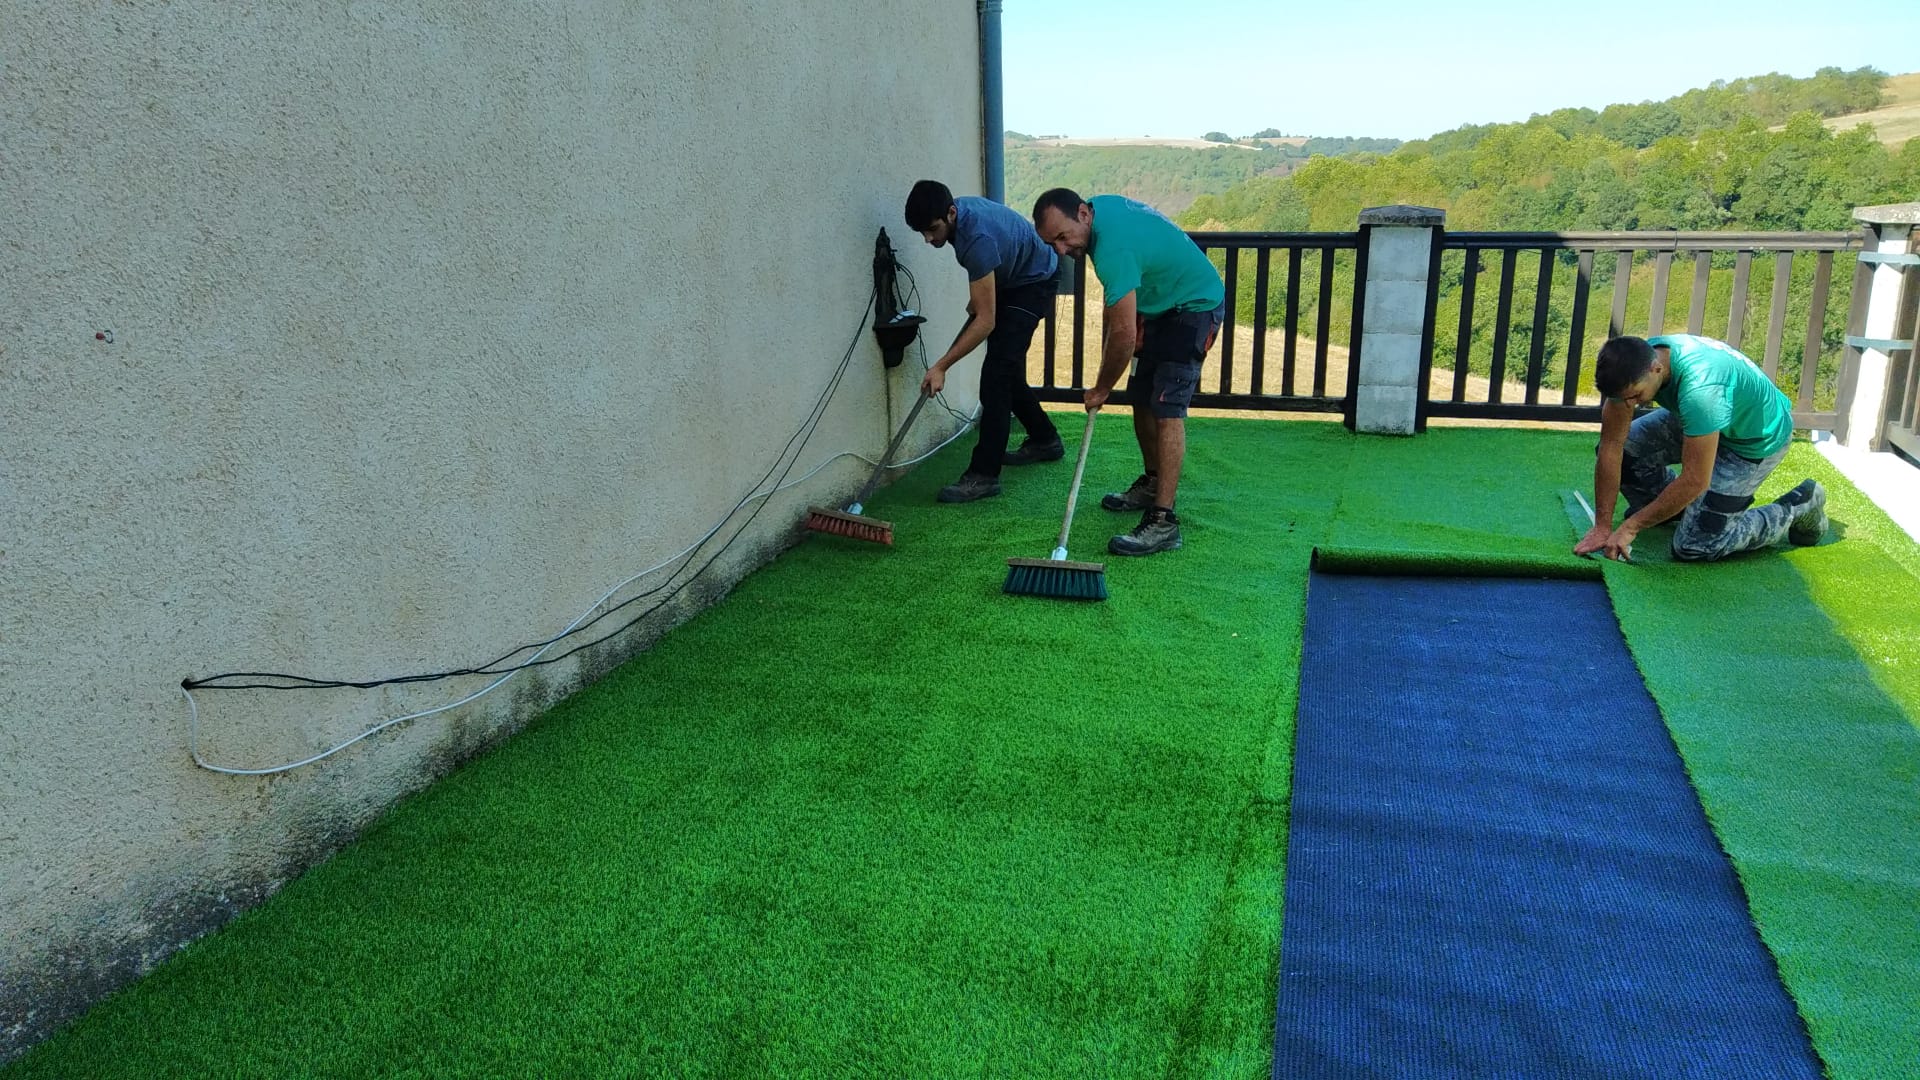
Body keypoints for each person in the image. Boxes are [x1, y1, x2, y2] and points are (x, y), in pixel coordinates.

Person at [1030, 187, 1225, 556]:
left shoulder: (1112, 249)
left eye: (1062, 237)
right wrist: (1134, 323)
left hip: (1195, 306)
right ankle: (1153, 482)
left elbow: (1121, 334)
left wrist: (1101, 388)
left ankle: (1163, 522)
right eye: (1051, 242)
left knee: (1167, 409)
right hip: (1158, 307)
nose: (1060, 249)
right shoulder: (1100, 211)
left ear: (1084, 215)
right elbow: (1120, 306)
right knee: (1141, 398)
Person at [1576, 333, 1828, 562]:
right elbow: (1612, 448)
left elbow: (1696, 479)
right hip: (1707, 419)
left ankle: (1800, 505)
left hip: (1753, 440)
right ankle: (1679, 511)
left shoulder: (1701, 389)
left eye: (1636, 395)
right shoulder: (1632, 367)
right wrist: (1602, 526)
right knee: (1628, 453)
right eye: (1622, 398)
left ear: (1657, 369)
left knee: (1696, 545)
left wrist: (1631, 526)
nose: (1629, 404)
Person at [903, 180, 1065, 504]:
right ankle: (1045, 439)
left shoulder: (975, 239)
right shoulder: (959, 217)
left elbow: (986, 322)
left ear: (951, 213)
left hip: (1034, 281)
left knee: (995, 377)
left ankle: (983, 475)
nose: (928, 239)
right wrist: (980, 296)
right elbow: (987, 279)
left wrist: (941, 367)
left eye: (933, 229)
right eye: (921, 232)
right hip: (1013, 277)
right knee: (1005, 373)